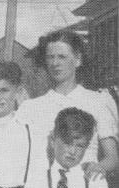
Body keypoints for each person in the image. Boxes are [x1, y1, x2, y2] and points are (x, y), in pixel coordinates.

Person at [17, 30, 118, 178]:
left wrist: (99, 167)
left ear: (77, 60)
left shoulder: (97, 101)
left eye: (62, 57)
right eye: (50, 57)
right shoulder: (30, 107)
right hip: (43, 187)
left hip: (86, 185)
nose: (55, 63)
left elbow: (113, 158)